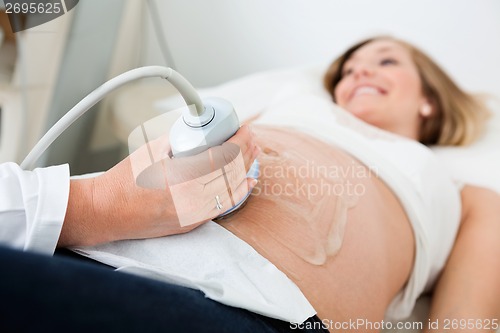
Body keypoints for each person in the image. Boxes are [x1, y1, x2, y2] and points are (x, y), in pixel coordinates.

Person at [1, 36, 499, 333]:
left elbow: (463, 320)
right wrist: (96, 206)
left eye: (385, 61)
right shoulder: (288, 108)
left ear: (430, 98)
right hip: (94, 252)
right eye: (347, 70)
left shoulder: (464, 191)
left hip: (257, 311)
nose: (359, 70)